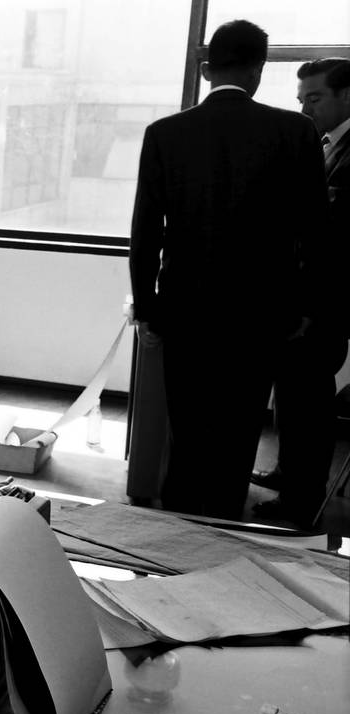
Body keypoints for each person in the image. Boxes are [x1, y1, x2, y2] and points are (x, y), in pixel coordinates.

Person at [129, 19, 329, 520]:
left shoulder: (165, 133)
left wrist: (147, 308)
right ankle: (221, 523)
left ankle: (176, 524)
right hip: (261, 312)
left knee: (186, 427)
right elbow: (314, 230)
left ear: (205, 70)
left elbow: (146, 230)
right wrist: (307, 306)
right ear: (259, 70)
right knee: (239, 432)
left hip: (184, 307)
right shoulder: (295, 132)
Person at [251, 58, 350, 528]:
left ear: (347, 96)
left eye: (315, 98)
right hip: (303, 302)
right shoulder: (327, 146)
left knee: (308, 404)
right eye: (301, 100)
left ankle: (300, 502)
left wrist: (308, 306)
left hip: (323, 307)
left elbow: (333, 244)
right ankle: (288, 473)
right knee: (291, 396)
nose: (306, 110)